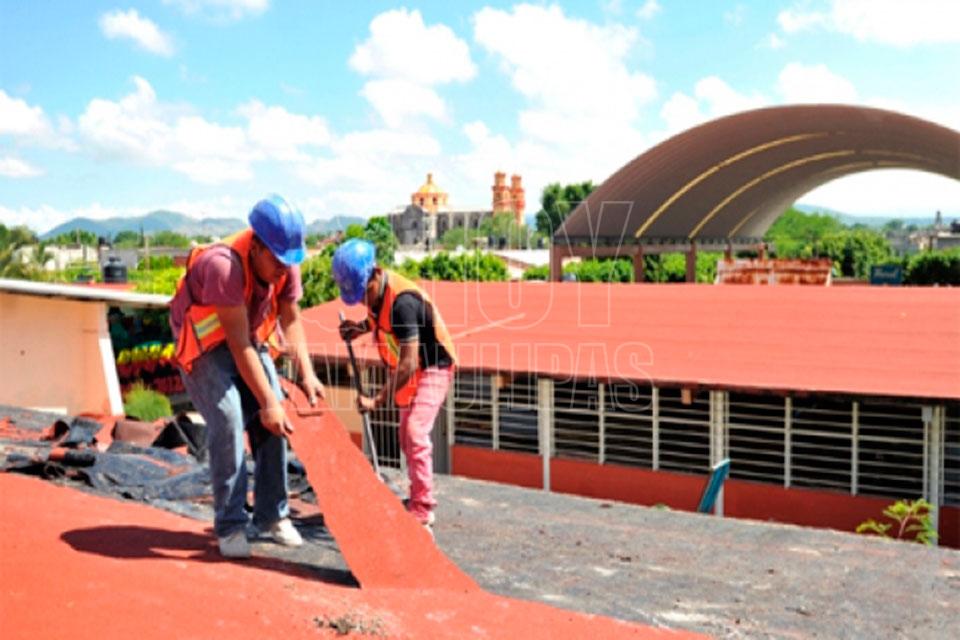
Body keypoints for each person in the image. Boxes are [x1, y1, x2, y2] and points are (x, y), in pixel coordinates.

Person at [169, 194, 324, 559]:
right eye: (277, 261)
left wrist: (308, 373)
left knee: (276, 415)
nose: (284, 269)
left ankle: (272, 516)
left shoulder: (286, 261)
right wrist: (267, 402)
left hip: (245, 338)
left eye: (289, 262)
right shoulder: (224, 266)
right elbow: (238, 346)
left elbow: (291, 319)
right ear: (256, 247)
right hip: (205, 346)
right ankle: (231, 524)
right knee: (229, 416)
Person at [332, 239, 456, 529]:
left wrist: (377, 399)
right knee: (404, 437)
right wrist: (358, 328)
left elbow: (408, 362)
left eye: (364, 293)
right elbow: (378, 318)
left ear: (376, 273)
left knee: (415, 431)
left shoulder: (403, 303)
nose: (363, 301)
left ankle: (423, 508)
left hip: (433, 366)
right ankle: (416, 493)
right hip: (412, 368)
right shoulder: (376, 295)